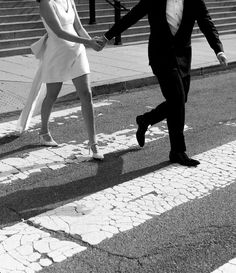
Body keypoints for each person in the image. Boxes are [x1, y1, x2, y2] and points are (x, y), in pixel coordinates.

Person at [98, 0, 227, 166]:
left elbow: (206, 23)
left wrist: (219, 50)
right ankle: (177, 151)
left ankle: (145, 120)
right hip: (161, 56)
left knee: (179, 101)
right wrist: (107, 36)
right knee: (177, 99)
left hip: (183, 57)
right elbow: (133, 16)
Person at [16, 0, 104, 160]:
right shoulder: (46, 3)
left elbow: (78, 27)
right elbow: (59, 32)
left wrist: (92, 42)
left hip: (77, 51)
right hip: (57, 54)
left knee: (86, 94)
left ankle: (93, 143)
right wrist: (87, 42)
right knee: (52, 95)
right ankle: (43, 132)